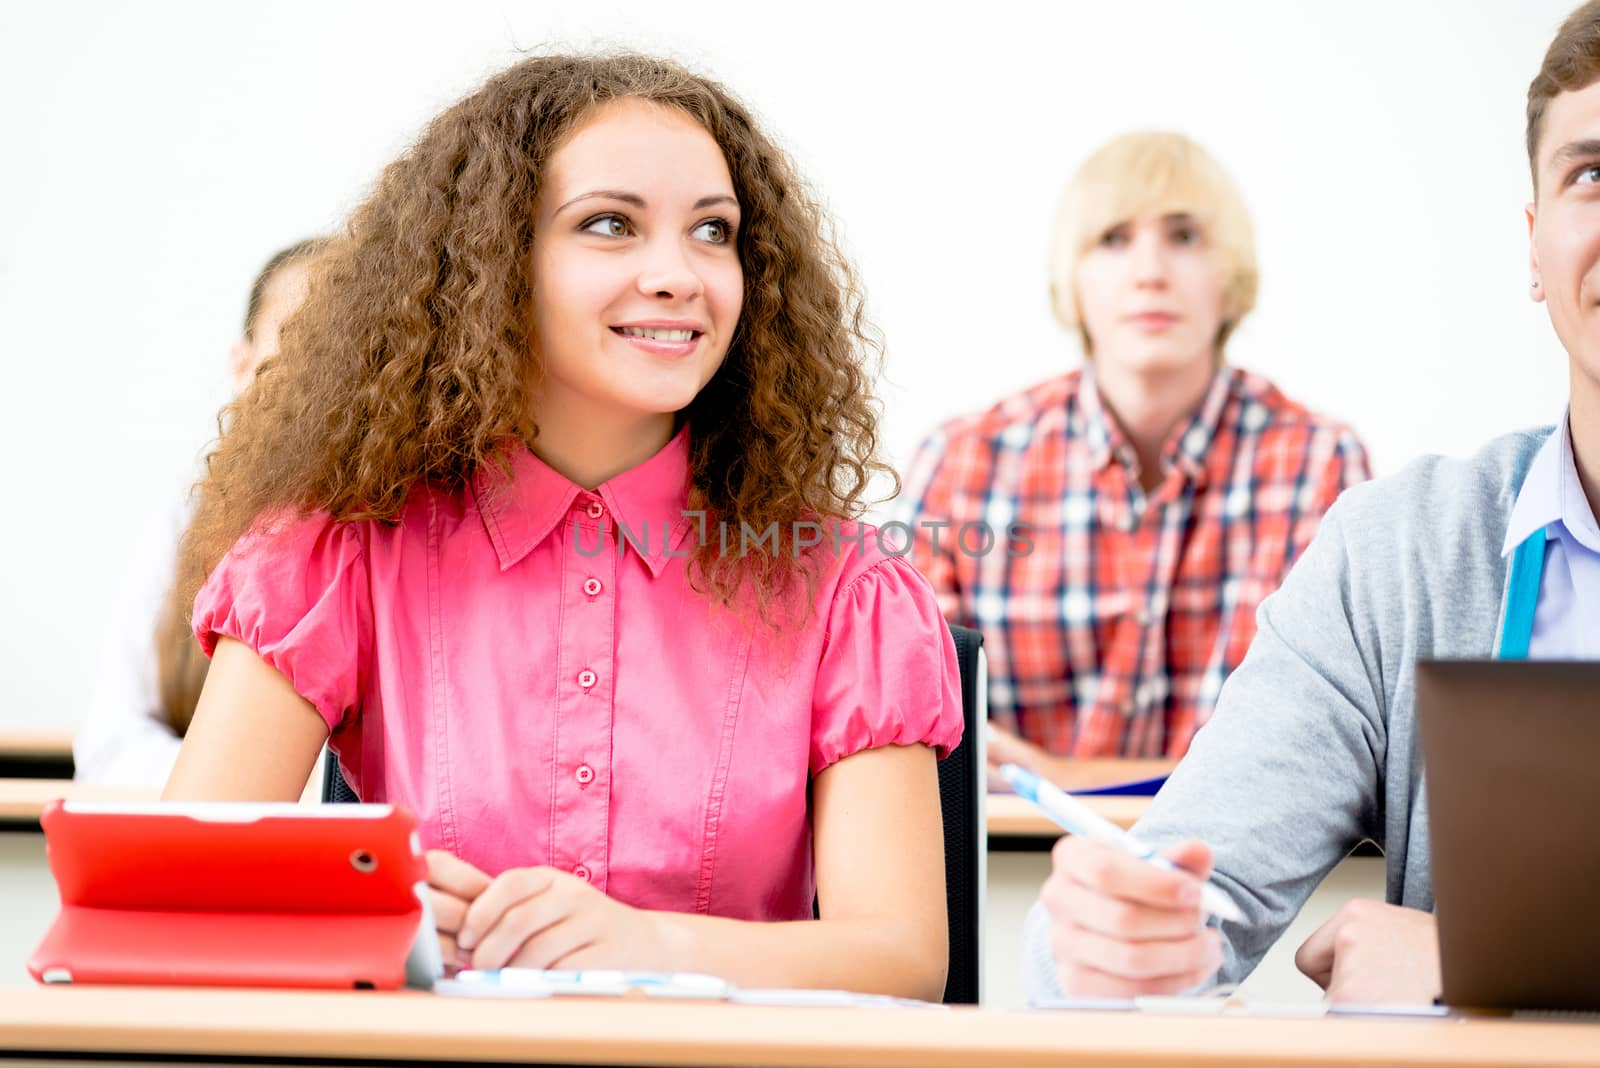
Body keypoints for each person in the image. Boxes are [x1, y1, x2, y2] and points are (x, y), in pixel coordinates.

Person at [161, 54, 961, 1000]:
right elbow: (177, 898)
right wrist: (372, 908)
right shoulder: (334, 552)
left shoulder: (845, 588)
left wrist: (645, 945)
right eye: (610, 226)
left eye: (714, 232)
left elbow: (903, 960)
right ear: (494, 262)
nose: (678, 275)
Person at [1024, 0, 1600, 1006]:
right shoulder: (1403, 553)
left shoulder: (1308, 452)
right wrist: (1108, 943)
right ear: (1534, 246)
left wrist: (1488, 964)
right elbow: (1192, 886)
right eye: (1591, 175)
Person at [896, 132, 1369, 768]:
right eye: (1113, 239)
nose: (1150, 273)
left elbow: (1327, 726)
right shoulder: (960, 464)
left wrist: (1068, 784)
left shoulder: (1320, 464)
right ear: (1073, 281)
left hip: (1228, 860)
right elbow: (915, 707)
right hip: (1003, 859)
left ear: (1231, 279)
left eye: (1185, 237)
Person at [74, 239, 325, 785]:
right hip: (215, 850)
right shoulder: (185, 519)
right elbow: (109, 748)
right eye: (292, 359)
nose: (317, 397)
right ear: (242, 365)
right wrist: (255, 781)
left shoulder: (404, 527)